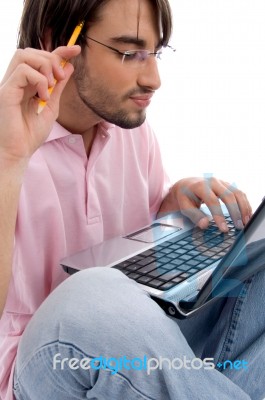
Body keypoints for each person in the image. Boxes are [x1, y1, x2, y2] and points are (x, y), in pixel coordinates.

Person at [0, 0, 264, 399]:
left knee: (256, 260)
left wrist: (170, 210)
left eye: (155, 53)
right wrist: (9, 159)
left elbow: (129, 268)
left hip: (138, 354)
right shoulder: (6, 142)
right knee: (91, 296)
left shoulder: (132, 132)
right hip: (34, 370)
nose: (154, 78)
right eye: (130, 53)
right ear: (57, 42)